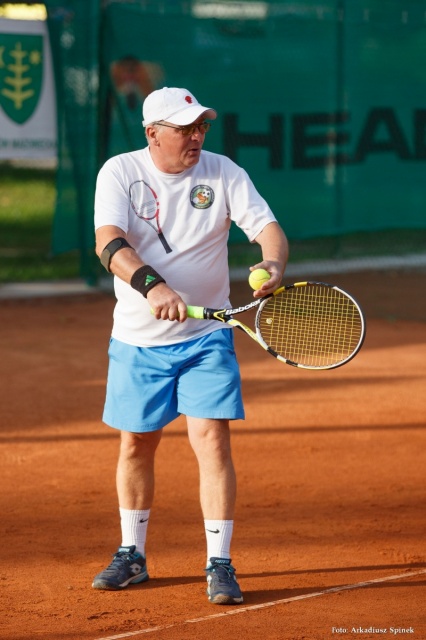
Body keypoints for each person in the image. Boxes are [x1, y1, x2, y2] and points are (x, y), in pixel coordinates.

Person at [92, 87, 289, 604]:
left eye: (201, 126)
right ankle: (132, 555)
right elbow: (108, 242)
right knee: (137, 443)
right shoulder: (119, 171)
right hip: (138, 339)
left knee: (213, 442)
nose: (196, 136)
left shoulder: (223, 172)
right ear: (153, 133)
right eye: (184, 128)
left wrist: (272, 263)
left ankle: (219, 563)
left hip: (207, 336)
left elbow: (268, 228)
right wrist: (153, 287)